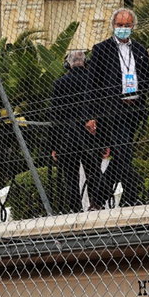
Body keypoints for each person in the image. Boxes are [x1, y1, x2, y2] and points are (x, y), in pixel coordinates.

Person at [83, 7, 149, 207]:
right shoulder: (101, 49)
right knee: (123, 150)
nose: (123, 28)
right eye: (119, 25)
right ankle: (132, 196)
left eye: (127, 25)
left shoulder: (140, 50)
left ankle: (98, 198)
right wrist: (90, 115)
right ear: (113, 26)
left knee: (121, 155)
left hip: (135, 109)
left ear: (133, 26)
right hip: (113, 109)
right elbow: (92, 84)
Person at [46, 49, 94, 213]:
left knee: (71, 176)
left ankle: (75, 208)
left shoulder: (60, 84)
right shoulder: (93, 81)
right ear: (85, 62)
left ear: (68, 64)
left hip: (67, 136)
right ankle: (96, 204)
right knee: (93, 172)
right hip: (90, 135)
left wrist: (53, 145)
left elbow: (55, 115)